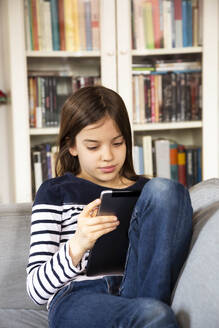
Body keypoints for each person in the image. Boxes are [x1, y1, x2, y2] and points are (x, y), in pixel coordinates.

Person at [26, 85, 193, 328]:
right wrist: (78, 243)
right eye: (93, 147)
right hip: (76, 296)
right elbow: (36, 292)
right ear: (72, 146)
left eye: (117, 143)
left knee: (166, 190)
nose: (108, 156)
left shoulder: (149, 194)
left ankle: (151, 310)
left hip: (137, 292)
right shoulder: (54, 192)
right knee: (155, 315)